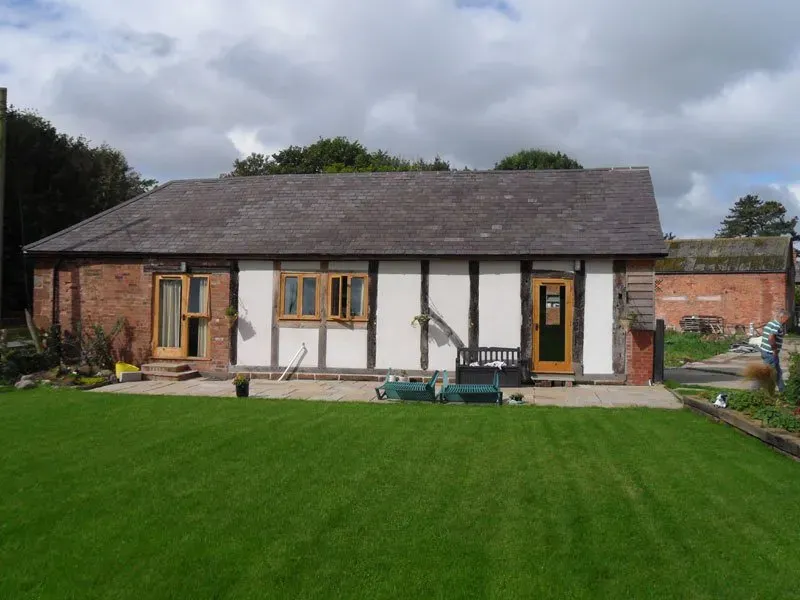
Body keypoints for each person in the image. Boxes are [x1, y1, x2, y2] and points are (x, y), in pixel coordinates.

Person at [760, 309, 791, 393]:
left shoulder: (771, 323)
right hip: (770, 353)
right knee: (770, 374)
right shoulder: (777, 325)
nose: (786, 321)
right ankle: (762, 390)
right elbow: (770, 338)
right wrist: (774, 350)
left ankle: (782, 390)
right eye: (786, 319)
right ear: (782, 317)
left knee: (778, 372)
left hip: (765, 351)